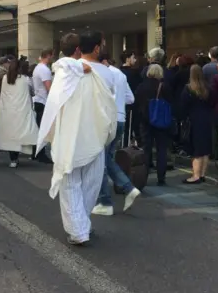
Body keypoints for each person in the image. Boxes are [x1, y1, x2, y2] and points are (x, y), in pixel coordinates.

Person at [37, 31, 117, 246]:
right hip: (95, 133)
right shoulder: (106, 73)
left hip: (71, 134)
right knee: (91, 184)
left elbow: (56, 94)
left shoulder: (67, 70)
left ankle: (79, 229)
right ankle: (82, 225)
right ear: (97, 48)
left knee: (71, 183)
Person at [92, 49, 141, 216]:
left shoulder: (101, 74)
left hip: (107, 119)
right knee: (107, 158)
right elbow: (131, 98)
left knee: (100, 160)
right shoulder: (120, 74)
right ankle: (127, 188)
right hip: (121, 119)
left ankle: (106, 201)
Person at [0, 57, 39, 168]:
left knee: (10, 135)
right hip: (21, 111)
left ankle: (13, 159)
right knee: (20, 132)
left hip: (8, 111)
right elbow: (32, 92)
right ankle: (19, 156)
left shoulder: (5, 79)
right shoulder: (25, 79)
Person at [135, 64, 172, 185]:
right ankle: (161, 178)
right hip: (161, 121)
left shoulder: (141, 86)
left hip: (145, 121)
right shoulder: (164, 87)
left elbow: (136, 104)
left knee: (146, 149)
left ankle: (143, 176)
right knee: (162, 149)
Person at [181, 64, 214, 184]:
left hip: (194, 119)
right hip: (207, 119)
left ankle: (195, 176)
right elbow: (212, 103)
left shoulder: (188, 88)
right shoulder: (208, 88)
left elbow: (183, 105)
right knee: (205, 149)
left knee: (196, 149)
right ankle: (203, 174)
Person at [32, 48, 54, 163]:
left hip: (38, 100)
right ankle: (40, 154)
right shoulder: (45, 70)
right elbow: (48, 87)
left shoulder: (37, 68)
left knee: (39, 128)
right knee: (43, 129)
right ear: (49, 56)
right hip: (43, 101)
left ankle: (36, 152)